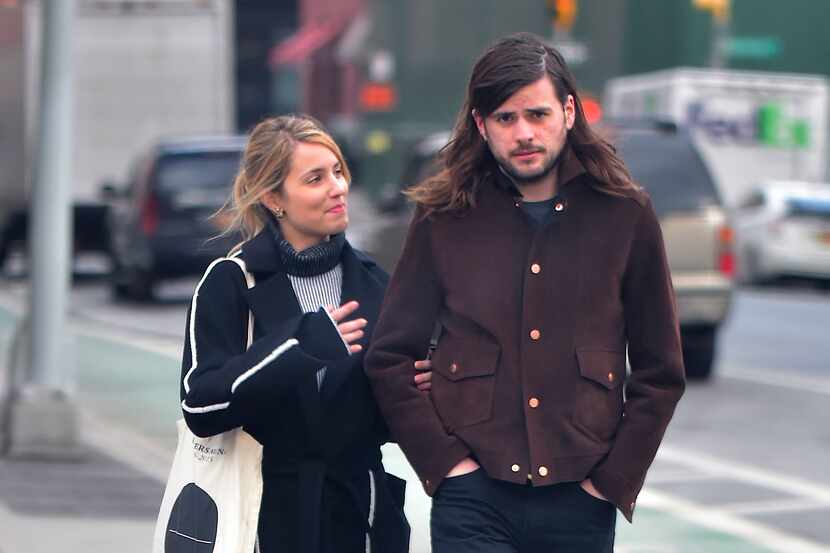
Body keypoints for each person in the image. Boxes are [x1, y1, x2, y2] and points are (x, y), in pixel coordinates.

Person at [365, 33, 685, 553]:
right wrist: (446, 467)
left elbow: (661, 373)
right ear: (480, 126)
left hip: (581, 499)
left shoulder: (625, 215)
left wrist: (609, 484)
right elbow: (390, 358)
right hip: (473, 498)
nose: (524, 133)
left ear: (569, 112)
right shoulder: (443, 217)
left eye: (537, 114)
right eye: (505, 118)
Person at [179, 114, 419, 553]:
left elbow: (384, 423)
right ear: (274, 197)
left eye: (339, 172)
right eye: (315, 179)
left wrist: (418, 387)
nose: (338, 188)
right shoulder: (232, 282)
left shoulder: (375, 282)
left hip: (361, 522)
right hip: (263, 521)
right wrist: (300, 346)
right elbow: (201, 405)